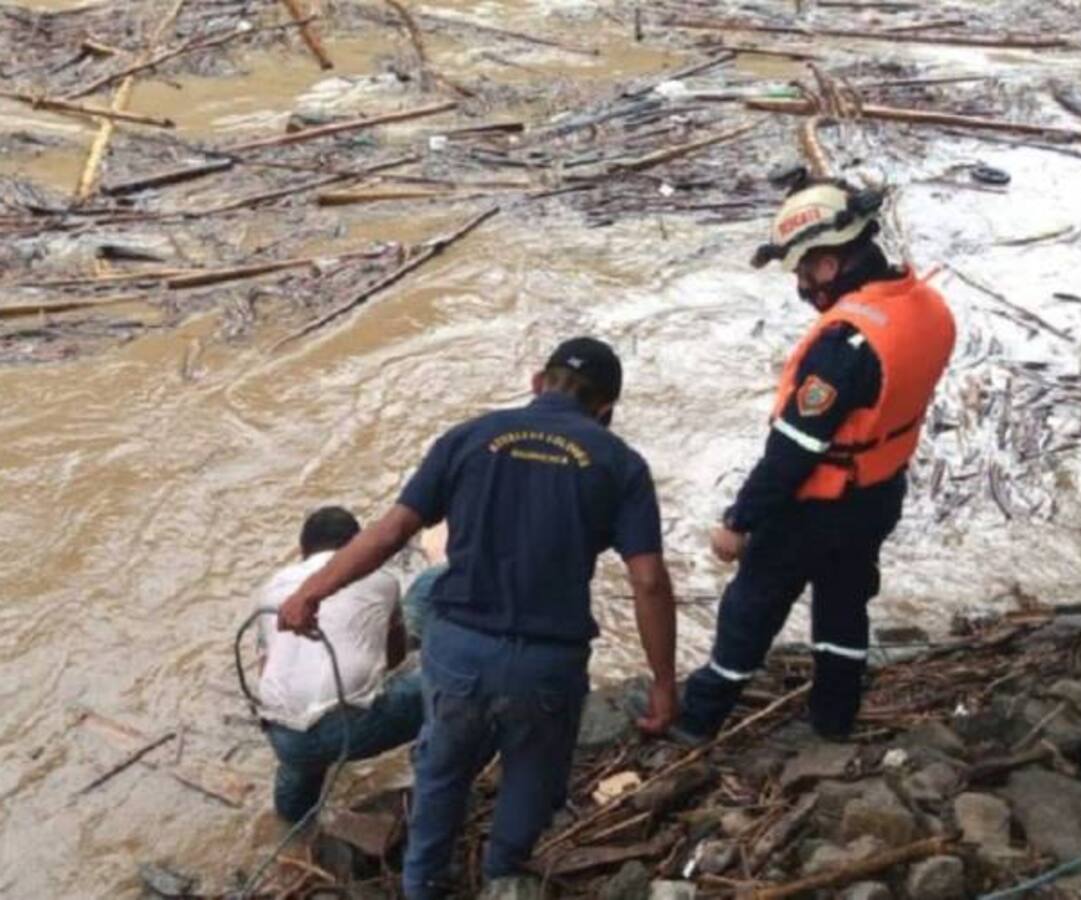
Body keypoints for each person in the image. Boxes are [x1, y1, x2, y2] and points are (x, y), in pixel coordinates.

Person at [276, 337, 678, 899]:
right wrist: (663, 680)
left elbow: (391, 532)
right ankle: (502, 875)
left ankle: (421, 885)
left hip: (459, 650)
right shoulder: (620, 464)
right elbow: (649, 580)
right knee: (532, 775)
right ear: (606, 410)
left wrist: (313, 591)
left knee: (441, 770)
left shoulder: (468, 437)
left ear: (539, 382)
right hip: (547, 661)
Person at [677, 171, 956, 743]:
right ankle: (834, 715)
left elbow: (793, 452)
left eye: (804, 271)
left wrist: (738, 521)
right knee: (845, 602)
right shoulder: (926, 306)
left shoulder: (844, 345)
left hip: (817, 504)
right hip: (879, 492)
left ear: (829, 265)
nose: (803, 285)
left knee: (751, 607)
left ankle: (699, 718)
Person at [254, 506, 426, 824]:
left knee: (301, 739)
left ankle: (293, 824)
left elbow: (265, 667)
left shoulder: (272, 586)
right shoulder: (382, 579)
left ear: (302, 550)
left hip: (284, 735)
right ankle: (431, 773)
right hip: (350, 729)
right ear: (357, 547)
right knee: (449, 685)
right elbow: (395, 659)